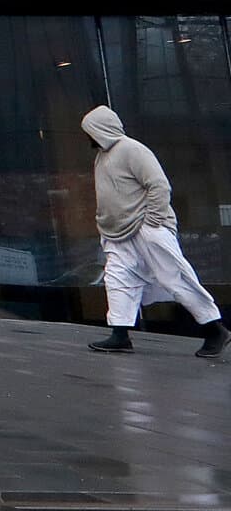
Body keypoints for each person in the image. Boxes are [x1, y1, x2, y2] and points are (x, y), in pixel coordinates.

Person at [81, 105, 227, 358]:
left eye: (90, 131)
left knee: (175, 277)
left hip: (145, 228)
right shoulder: (102, 156)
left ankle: (215, 329)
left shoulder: (132, 149)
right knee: (117, 279)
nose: (88, 137)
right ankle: (120, 334)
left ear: (101, 129)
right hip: (118, 234)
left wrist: (153, 222)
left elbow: (159, 185)